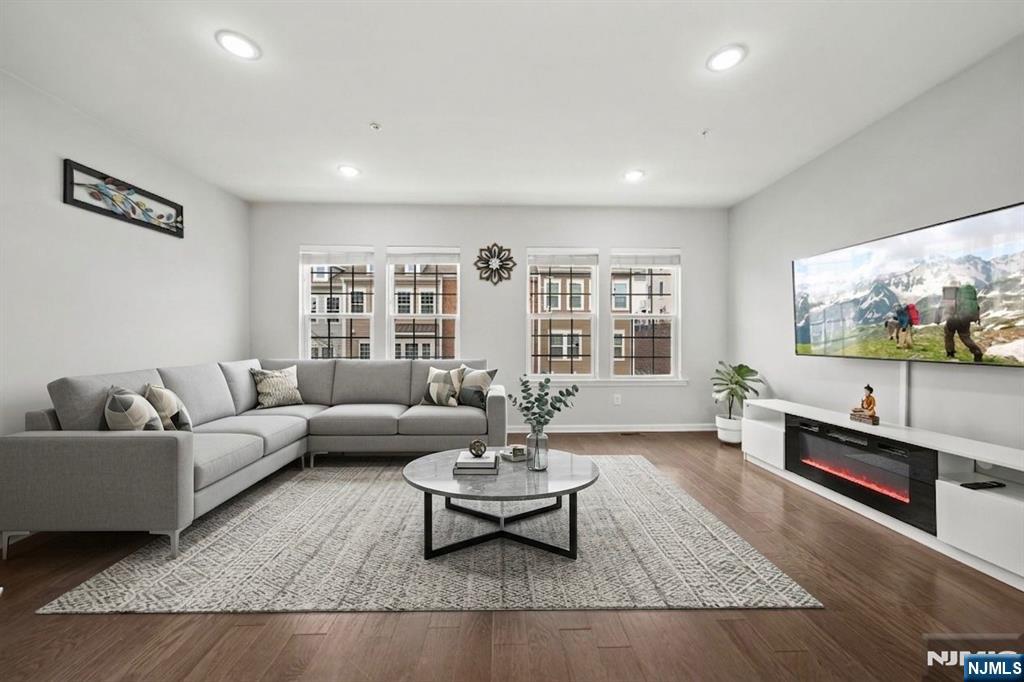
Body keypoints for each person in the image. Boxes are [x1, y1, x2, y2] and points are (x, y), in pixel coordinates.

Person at [944, 284, 984, 362]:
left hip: (953, 320)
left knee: (948, 335)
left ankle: (950, 353)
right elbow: (977, 308)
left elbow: (949, 308)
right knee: (966, 337)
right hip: (965, 320)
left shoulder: (952, 294)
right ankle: (977, 351)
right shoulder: (969, 298)